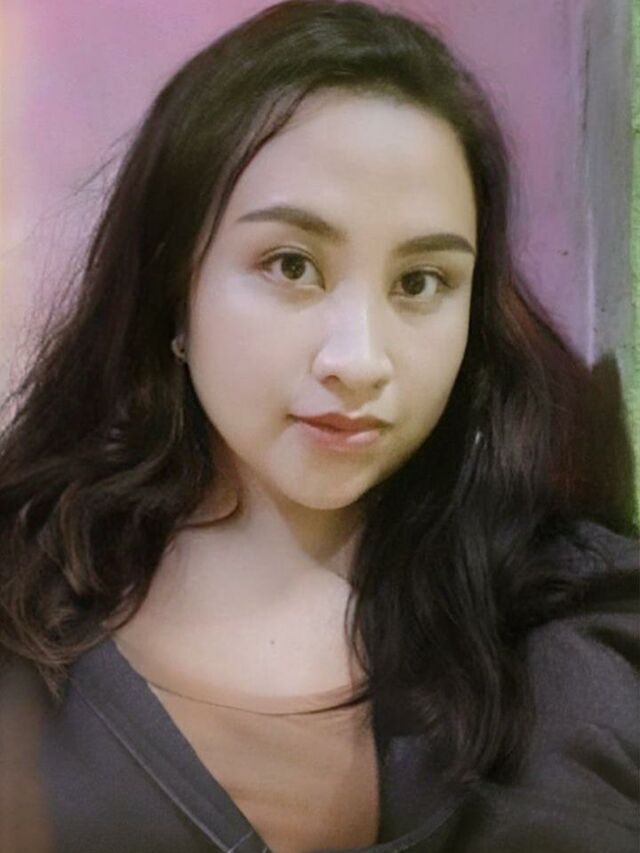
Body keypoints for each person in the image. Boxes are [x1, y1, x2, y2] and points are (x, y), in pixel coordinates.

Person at [0, 1, 637, 851]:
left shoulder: (565, 615)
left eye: (420, 282)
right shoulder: (21, 597)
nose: (360, 359)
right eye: (292, 265)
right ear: (173, 289)